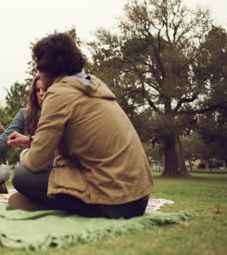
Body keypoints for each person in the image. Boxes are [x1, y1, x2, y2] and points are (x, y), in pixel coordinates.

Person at [9, 33, 153, 219]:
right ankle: (51, 204)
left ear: (46, 66)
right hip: (138, 198)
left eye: (37, 66)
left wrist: (23, 154)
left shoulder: (59, 93)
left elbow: (37, 161)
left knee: (21, 175)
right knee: (52, 167)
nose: (37, 73)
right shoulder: (91, 85)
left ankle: (53, 206)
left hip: (115, 203)